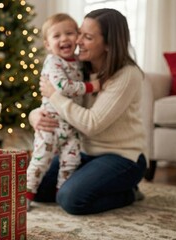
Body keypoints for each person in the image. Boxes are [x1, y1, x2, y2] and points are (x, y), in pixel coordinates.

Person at [29, 8, 147, 215]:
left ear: (109, 44)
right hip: (84, 152)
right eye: (80, 32)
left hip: (121, 157)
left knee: (70, 199)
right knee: (33, 186)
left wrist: (55, 96)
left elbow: (91, 124)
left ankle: (128, 192)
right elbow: (50, 99)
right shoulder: (77, 66)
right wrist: (35, 116)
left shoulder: (127, 75)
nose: (78, 41)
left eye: (88, 37)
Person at [26, 13, 100, 211]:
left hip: (72, 127)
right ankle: (25, 196)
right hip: (50, 124)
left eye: (69, 33)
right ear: (48, 45)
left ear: (77, 36)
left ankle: (62, 194)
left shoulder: (79, 62)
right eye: (56, 36)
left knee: (71, 162)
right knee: (40, 161)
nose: (64, 39)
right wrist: (91, 86)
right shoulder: (53, 62)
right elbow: (62, 87)